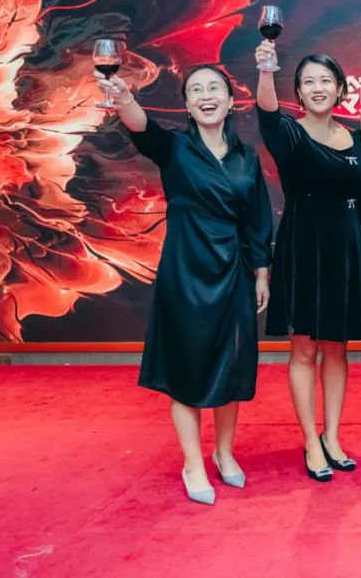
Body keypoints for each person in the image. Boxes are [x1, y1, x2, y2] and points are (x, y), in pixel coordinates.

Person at [95, 64, 272, 505]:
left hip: (233, 270)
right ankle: (193, 463)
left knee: (231, 366)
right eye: (196, 90)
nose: (206, 96)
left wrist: (262, 272)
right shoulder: (174, 147)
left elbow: (257, 221)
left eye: (215, 88)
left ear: (230, 101)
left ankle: (224, 453)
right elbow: (142, 128)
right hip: (185, 271)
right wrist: (123, 97)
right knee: (185, 370)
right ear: (188, 105)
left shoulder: (246, 157)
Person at [253, 42, 361, 482]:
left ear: (341, 88)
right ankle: (310, 439)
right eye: (309, 82)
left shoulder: (357, 139)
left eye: (326, 80)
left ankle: (332, 436)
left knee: (337, 348)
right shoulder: (288, 134)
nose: (318, 88)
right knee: (304, 348)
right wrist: (265, 70)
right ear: (299, 93)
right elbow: (267, 115)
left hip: (346, 249)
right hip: (303, 245)